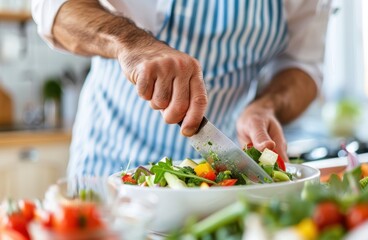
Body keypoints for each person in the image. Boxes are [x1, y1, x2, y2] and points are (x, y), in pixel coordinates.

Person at [32, 0, 331, 177]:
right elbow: (53, 8)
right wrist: (131, 43)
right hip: (109, 166)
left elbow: (303, 67)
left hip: (216, 178)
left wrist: (266, 106)